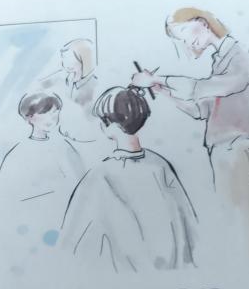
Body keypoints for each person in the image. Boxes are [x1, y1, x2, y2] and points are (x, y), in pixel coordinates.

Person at [132, 7, 249, 265]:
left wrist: (158, 78)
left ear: (203, 22)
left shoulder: (239, 57)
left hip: (239, 150)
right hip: (225, 152)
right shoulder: (221, 60)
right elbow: (202, 110)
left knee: (245, 225)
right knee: (232, 223)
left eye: (184, 31)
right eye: (180, 38)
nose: (186, 41)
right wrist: (163, 91)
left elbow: (202, 88)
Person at [60, 86, 197, 272]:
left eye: (102, 120)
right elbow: (187, 221)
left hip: (127, 274)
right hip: (173, 269)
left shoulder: (100, 174)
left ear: (111, 125)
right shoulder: (160, 164)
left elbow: (71, 240)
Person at [0, 92, 83, 223]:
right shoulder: (17, 153)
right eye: (44, 113)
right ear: (29, 117)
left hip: (64, 216)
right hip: (28, 218)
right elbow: (2, 194)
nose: (51, 118)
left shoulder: (65, 148)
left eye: (55, 112)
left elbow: (82, 185)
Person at [42, 37, 98, 143]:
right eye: (64, 59)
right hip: (62, 132)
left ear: (83, 59)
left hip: (84, 136)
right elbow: (40, 85)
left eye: (70, 60)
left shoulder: (93, 84)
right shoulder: (63, 76)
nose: (65, 64)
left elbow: (91, 118)